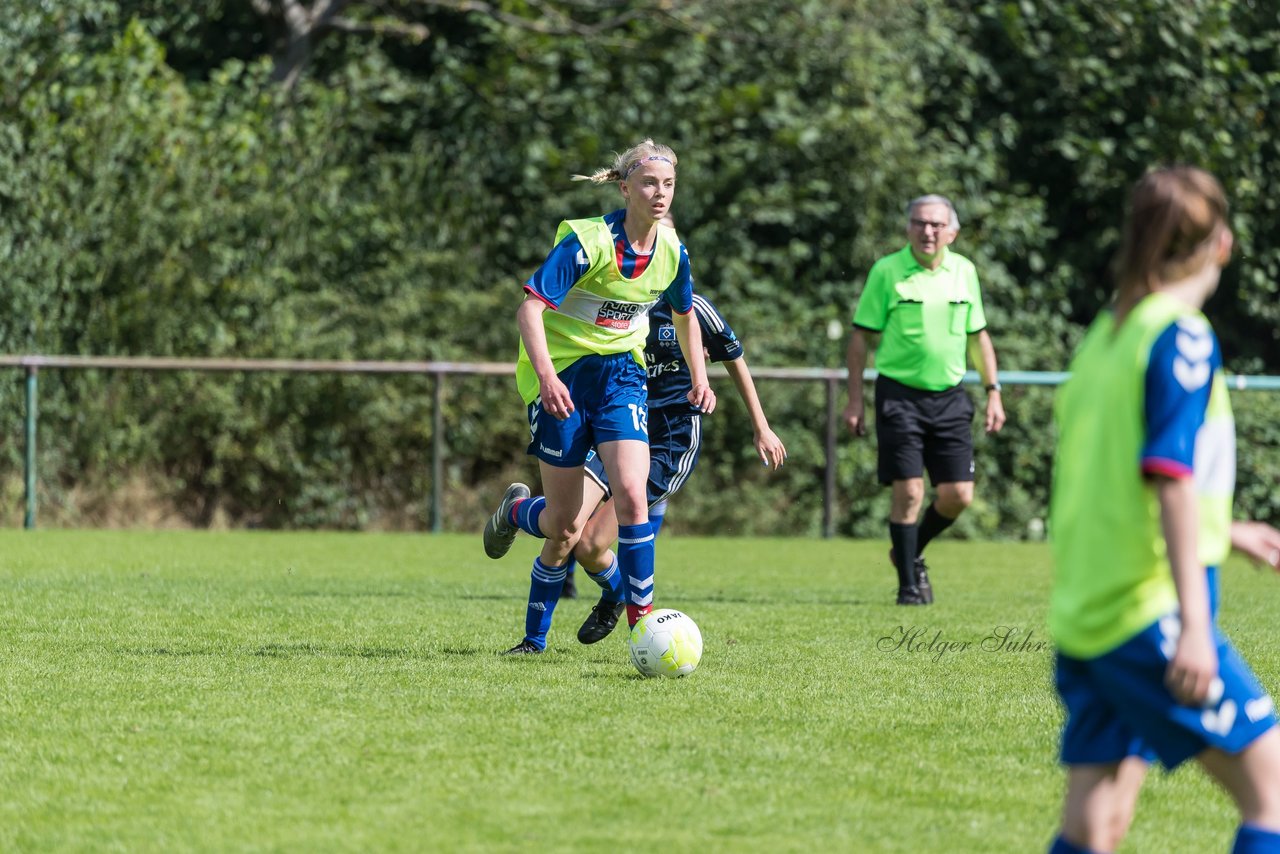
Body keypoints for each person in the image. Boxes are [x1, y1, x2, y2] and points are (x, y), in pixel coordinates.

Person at [1047, 165, 1280, 854]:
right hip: (1146, 612)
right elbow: (1168, 478)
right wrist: (1197, 629)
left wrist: (1223, 528)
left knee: (1094, 825)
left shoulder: (1107, 335)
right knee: (1271, 795)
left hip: (1085, 613)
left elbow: (1115, 473)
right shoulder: (1182, 336)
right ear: (1223, 244)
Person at [480, 139, 716, 655]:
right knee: (563, 524)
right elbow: (529, 310)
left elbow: (685, 316)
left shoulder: (672, 253)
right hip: (564, 378)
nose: (660, 194)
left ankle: (643, 623)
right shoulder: (589, 243)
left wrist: (700, 376)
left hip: (622, 378)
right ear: (626, 186)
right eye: (650, 183)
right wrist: (546, 377)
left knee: (633, 495)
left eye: (669, 185)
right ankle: (519, 514)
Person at [569, 283, 787, 645]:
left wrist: (761, 426)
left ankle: (626, 606)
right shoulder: (622, 306)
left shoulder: (695, 307)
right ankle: (617, 594)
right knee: (577, 539)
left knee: (592, 544)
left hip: (671, 441)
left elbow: (735, 358)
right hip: (623, 428)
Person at [843, 195, 1005, 605]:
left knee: (958, 496)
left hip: (950, 397)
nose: (927, 231)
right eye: (919, 223)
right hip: (899, 394)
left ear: (952, 231)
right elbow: (861, 338)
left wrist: (993, 392)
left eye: (936, 224)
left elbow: (978, 336)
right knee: (910, 491)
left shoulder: (965, 271)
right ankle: (908, 588)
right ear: (908, 228)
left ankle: (908, 550)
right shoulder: (887, 271)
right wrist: (855, 400)